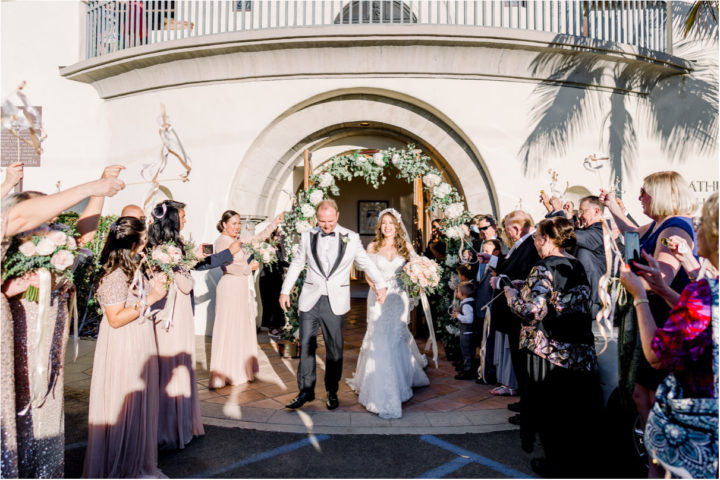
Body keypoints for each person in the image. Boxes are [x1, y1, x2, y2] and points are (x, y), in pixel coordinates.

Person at [1, 167, 125, 478]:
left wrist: (98, 193)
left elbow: (85, 238)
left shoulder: (57, 249)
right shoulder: (14, 250)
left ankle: (44, 472)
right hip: (20, 339)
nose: (49, 223)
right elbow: (10, 286)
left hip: (50, 340)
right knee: (18, 406)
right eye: (42, 216)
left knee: (46, 403)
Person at [600, 171, 697, 462]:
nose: (640, 196)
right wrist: (613, 208)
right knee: (641, 392)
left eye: (645, 191)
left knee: (651, 395)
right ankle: (653, 454)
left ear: (663, 195)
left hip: (664, 319)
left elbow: (660, 281)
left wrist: (630, 283)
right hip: (651, 316)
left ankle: (659, 456)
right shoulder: (659, 224)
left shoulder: (675, 229)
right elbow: (631, 233)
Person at [619, 192, 718, 478]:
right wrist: (663, 288)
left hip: (698, 426)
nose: (694, 230)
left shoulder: (705, 293)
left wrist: (640, 296)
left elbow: (656, 356)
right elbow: (704, 315)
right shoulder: (707, 292)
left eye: (701, 224)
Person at [504, 216, 602, 477]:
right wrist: (525, 287)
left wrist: (512, 297)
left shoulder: (544, 266)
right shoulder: (576, 264)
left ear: (546, 239)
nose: (534, 241)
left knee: (551, 414)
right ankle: (573, 464)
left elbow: (532, 312)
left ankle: (555, 466)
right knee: (573, 414)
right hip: (578, 349)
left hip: (549, 351)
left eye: (536, 237)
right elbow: (563, 300)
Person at [280, 199, 388, 410]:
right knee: (307, 346)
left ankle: (332, 391)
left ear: (337, 216)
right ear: (316, 218)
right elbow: (297, 263)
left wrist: (381, 284)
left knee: (334, 350)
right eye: (322, 221)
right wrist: (285, 290)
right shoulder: (307, 236)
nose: (326, 225)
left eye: (330, 221)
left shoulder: (351, 238)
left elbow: (365, 262)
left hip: (335, 301)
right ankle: (306, 390)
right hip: (310, 299)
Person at [82, 217, 168, 478]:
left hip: (139, 338)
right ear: (131, 243)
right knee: (125, 401)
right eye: (142, 241)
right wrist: (151, 299)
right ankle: (121, 467)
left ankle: (134, 460)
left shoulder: (132, 268)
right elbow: (115, 319)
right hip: (124, 344)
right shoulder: (113, 275)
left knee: (138, 404)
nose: (145, 245)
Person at [346, 209, 430, 418]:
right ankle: (378, 389)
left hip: (398, 298)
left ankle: (400, 381)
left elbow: (418, 269)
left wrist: (423, 275)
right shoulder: (373, 246)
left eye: (391, 223)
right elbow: (367, 276)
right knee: (379, 339)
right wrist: (378, 291)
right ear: (379, 226)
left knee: (395, 339)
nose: (387, 226)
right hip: (378, 297)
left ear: (397, 226)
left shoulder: (406, 247)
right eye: (384, 223)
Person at [146, 200, 205, 450]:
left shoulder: (151, 248)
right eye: (182, 216)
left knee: (164, 368)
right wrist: (190, 265)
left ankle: (164, 426)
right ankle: (173, 429)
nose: (185, 220)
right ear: (172, 220)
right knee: (175, 366)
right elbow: (185, 285)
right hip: (173, 316)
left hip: (163, 313)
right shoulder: (170, 251)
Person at [210, 210, 283, 388]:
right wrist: (248, 268)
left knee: (241, 327)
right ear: (224, 224)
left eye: (238, 223)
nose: (237, 227)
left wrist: (274, 223)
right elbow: (227, 267)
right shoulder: (221, 241)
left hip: (241, 287)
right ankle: (228, 372)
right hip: (231, 287)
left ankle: (241, 369)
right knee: (231, 328)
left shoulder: (237, 240)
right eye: (233, 224)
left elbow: (257, 238)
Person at [486, 211, 540, 420]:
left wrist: (501, 282)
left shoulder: (530, 247)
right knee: (519, 362)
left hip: (520, 315)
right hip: (513, 315)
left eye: (507, 229)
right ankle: (524, 402)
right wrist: (492, 260)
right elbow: (510, 266)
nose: (506, 233)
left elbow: (525, 276)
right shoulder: (522, 245)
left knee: (523, 363)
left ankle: (529, 408)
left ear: (516, 229)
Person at [574, 195, 608, 320]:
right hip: (583, 300)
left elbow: (574, 237)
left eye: (583, 211)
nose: (580, 215)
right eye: (579, 211)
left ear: (596, 211)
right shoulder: (587, 230)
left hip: (593, 303)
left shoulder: (601, 231)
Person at [475, 238, 502, 385]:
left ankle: (488, 373)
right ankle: (483, 370)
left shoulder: (495, 268)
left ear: (496, 253)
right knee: (482, 340)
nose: (483, 253)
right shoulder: (482, 266)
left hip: (489, 308)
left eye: (487, 251)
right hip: (481, 307)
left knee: (489, 342)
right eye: (483, 250)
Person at [453, 282, 476, 380]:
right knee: (466, 352)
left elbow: (469, 319)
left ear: (461, 294)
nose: (457, 293)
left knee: (467, 353)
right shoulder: (465, 303)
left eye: (458, 291)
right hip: (465, 333)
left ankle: (468, 372)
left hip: (467, 333)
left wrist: (458, 316)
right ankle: (466, 369)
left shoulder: (466, 305)